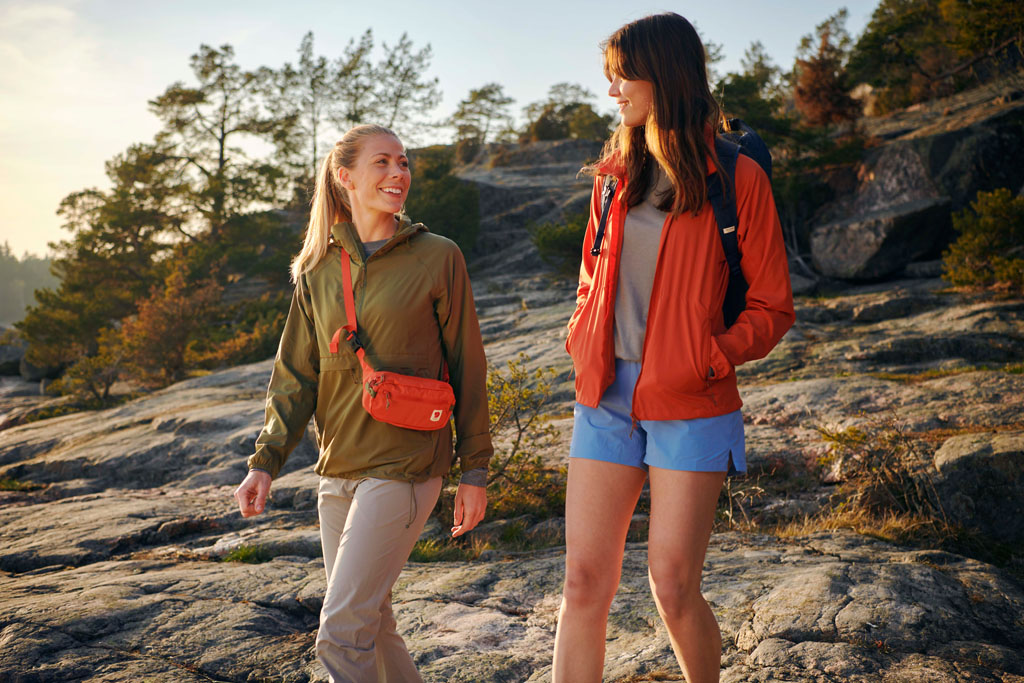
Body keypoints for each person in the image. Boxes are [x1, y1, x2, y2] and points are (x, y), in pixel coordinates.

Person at [554, 13, 795, 683]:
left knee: (672, 584)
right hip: (605, 396)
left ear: (663, 74)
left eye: (621, 76)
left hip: (692, 400)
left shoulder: (736, 177)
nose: (612, 92)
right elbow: (589, 277)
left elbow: (773, 306)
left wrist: (710, 357)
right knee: (582, 581)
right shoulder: (612, 177)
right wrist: (582, 334)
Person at [232, 124, 493, 683]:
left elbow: (469, 367)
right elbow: (295, 376)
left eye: (404, 162)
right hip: (338, 470)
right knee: (373, 625)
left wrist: (474, 470)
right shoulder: (317, 269)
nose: (399, 173)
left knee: (341, 632)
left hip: (406, 466)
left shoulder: (438, 256)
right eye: (383, 162)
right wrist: (265, 461)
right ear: (345, 176)